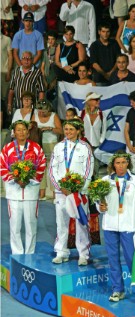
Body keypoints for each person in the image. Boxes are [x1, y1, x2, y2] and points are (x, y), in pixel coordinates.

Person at [98, 150, 135, 302]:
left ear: (128, 163)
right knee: (113, 259)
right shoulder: (105, 180)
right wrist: (100, 206)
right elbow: (99, 201)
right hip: (110, 226)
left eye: (124, 162)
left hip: (129, 227)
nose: (121, 166)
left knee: (132, 260)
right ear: (113, 164)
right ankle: (117, 290)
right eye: (118, 163)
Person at [49, 119, 94, 265]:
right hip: (62, 191)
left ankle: (83, 254)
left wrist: (79, 188)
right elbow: (52, 169)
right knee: (61, 222)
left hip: (79, 192)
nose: (68, 132)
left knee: (81, 222)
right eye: (66, 129)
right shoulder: (58, 147)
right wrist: (59, 186)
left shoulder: (85, 147)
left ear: (78, 130)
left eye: (71, 129)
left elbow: (88, 170)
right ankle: (61, 252)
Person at [0, 120, 46, 254]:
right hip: (13, 192)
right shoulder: (7, 148)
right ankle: (17, 252)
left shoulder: (36, 147)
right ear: (14, 132)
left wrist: (28, 179)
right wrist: (15, 179)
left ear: (28, 132)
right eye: (18, 130)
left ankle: (30, 252)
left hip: (31, 191)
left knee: (31, 225)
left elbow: (42, 165)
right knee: (14, 225)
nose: (21, 132)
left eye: (24, 130)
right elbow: (2, 167)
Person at [31, 99, 63, 200]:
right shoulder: (35, 115)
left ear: (48, 109)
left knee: (53, 168)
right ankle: (42, 193)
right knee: (40, 168)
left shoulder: (54, 115)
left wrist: (49, 128)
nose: (41, 113)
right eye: (39, 111)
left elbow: (61, 131)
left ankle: (55, 193)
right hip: (39, 144)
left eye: (43, 112)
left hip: (52, 144)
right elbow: (30, 128)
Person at [81, 92, 106, 176]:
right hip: (84, 145)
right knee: (84, 168)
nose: (98, 101)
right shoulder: (82, 113)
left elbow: (104, 130)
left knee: (95, 169)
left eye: (99, 99)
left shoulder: (102, 114)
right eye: (96, 99)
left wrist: (100, 141)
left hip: (96, 146)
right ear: (89, 101)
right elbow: (79, 129)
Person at [41, 30, 58, 104]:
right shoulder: (46, 51)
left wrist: (55, 81)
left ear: (56, 40)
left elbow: (63, 67)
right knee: (46, 102)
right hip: (46, 79)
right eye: (49, 39)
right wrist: (44, 79)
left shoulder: (59, 50)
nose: (50, 41)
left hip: (55, 79)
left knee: (55, 102)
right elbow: (42, 67)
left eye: (53, 39)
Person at [1, 33, 13, 102]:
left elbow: (10, 56)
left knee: (4, 98)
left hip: (3, 72)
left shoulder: (7, 39)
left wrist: (9, 72)